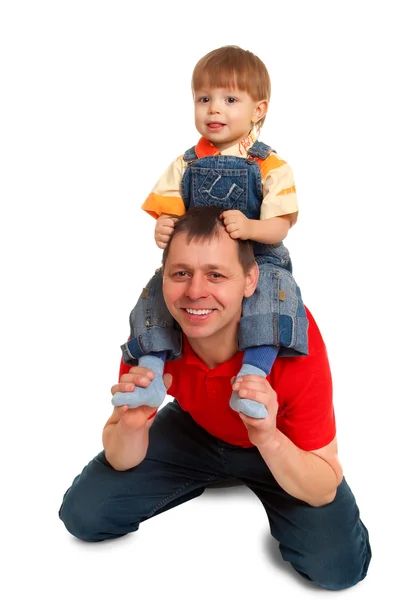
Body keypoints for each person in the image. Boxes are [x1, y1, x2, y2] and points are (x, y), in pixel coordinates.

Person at [59, 207, 371, 591]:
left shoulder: (290, 337)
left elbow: (324, 484)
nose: (194, 292)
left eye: (216, 275)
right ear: (163, 279)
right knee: (85, 515)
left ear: (250, 279)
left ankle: (240, 469)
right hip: (197, 430)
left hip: (277, 443)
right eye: (181, 274)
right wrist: (131, 426)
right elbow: (120, 455)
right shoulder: (153, 337)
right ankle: (215, 471)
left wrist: (268, 438)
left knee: (338, 568)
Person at [112, 45, 308, 418]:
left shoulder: (269, 165)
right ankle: (151, 372)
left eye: (230, 99)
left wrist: (250, 226)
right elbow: (169, 211)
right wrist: (164, 226)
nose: (214, 108)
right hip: (200, 261)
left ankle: (254, 375)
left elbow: (281, 225)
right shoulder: (185, 164)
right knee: (157, 294)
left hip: (257, 258)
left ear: (258, 110)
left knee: (274, 295)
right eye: (204, 98)